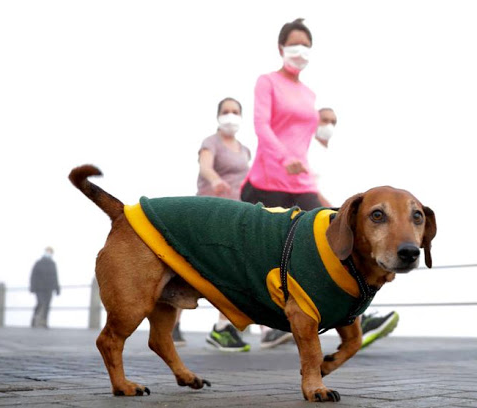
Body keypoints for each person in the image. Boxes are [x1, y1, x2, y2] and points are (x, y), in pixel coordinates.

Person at [240, 18, 321, 349]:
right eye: (294, 43)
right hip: (267, 178)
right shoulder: (267, 82)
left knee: (329, 234)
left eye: (306, 45)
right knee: (266, 253)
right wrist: (283, 156)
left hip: (301, 181)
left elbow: (304, 134)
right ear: (281, 48)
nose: (300, 50)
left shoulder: (310, 93)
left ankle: (351, 314)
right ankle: (265, 326)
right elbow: (261, 125)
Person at [308, 107, 401, 348]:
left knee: (358, 265)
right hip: (318, 214)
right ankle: (356, 320)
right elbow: (304, 184)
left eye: (333, 121)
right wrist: (336, 211)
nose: (329, 125)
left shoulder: (333, 154)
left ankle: (359, 319)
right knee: (345, 266)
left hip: (337, 212)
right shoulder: (306, 147)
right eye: (325, 120)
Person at [172, 97, 252, 352]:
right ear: (218, 115)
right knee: (190, 270)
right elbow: (205, 167)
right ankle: (171, 325)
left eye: (235, 111)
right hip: (207, 213)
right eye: (226, 111)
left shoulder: (245, 150)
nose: (231, 116)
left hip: (235, 216)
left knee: (233, 271)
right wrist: (216, 180)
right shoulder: (211, 142)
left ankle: (222, 328)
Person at [29, 247, 60, 328]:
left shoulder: (53, 264)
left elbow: (55, 276)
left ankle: (44, 321)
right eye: (48, 251)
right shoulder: (38, 263)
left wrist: (57, 288)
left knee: (47, 305)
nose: (49, 253)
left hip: (49, 288)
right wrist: (32, 287)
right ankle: (35, 319)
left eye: (50, 252)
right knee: (40, 303)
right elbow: (33, 275)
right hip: (39, 288)